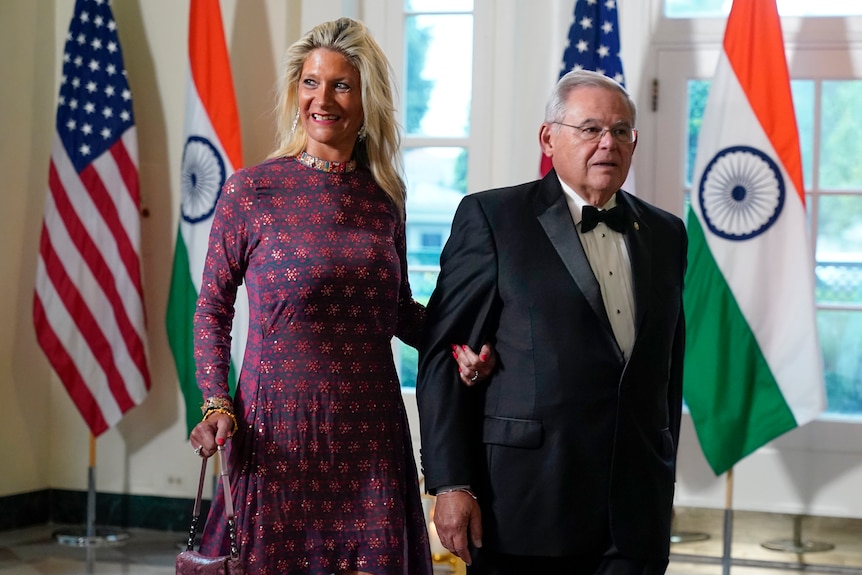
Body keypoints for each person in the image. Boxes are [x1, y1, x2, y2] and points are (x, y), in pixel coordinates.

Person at [187, 17, 493, 575]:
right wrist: (216, 401)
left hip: (371, 437)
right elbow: (211, 309)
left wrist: (459, 346)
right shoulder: (250, 191)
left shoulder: (384, 199)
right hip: (277, 434)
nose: (321, 98)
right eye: (310, 82)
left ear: (366, 97)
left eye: (340, 85)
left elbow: (397, 311)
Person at [416, 69, 687, 575]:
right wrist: (451, 483)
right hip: (523, 507)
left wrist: (662, 472)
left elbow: (666, 370)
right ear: (549, 138)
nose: (608, 143)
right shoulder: (491, 218)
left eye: (621, 131)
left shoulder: (667, 233)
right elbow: (443, 356)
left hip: (634, 517)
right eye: (590, 129)